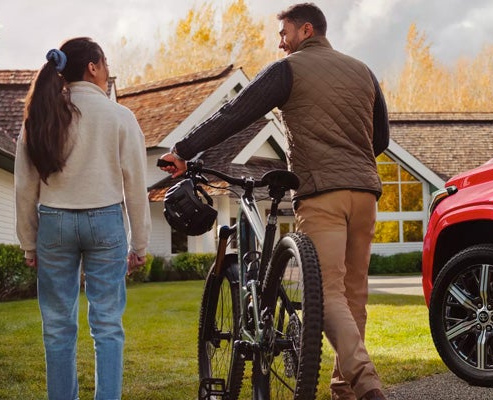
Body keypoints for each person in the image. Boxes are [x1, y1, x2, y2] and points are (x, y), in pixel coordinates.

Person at [158, 3, 389, 399]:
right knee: (354, 294)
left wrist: (183, 149)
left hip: (321, 193)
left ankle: (367, 385)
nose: (280, 43)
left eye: (284, 34)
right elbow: (380, 139)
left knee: (328, 294)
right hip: (365, 193)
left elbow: (236, 112)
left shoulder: (290, 69)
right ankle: (344, 390)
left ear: (306, 30)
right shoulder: (363, 71)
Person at [15, 37, 151, 400]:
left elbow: (25, 186)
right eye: (106, 65)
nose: (108, 73)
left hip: (54, 224)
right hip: (106, 222)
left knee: (57, 328)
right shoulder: (119, 116)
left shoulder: (41, 116)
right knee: (107, 326)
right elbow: (135, 184)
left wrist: (29, 242)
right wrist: (139, 243)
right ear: (93, 66)